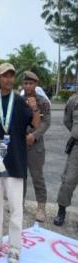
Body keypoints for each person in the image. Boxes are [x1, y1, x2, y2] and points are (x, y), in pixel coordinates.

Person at [0, 63, 40, 263]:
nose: (7, 79)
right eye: (3, 76)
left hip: (15, 162)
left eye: (11, 76)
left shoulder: (20, 101)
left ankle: (15, 248)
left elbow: (35, 124)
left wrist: (34, 109)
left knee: (16, 208)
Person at [21, 71, 51, 222]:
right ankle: (20, 204)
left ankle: (41, 208)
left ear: (36, 84)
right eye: (25, 83)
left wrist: (35, 135)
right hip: (20, 144)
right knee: (21, 176)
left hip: (36, 145)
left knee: (37, 177)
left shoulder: (42, 102)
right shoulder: (19, 100)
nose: (28, 86)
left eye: (31, 83)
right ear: (22, 85)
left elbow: (46, 123)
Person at [53, 92, 78, 226]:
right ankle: (61, 211)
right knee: (68, 181)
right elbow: (67, 120)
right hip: (76, 148)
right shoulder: (73, 100)